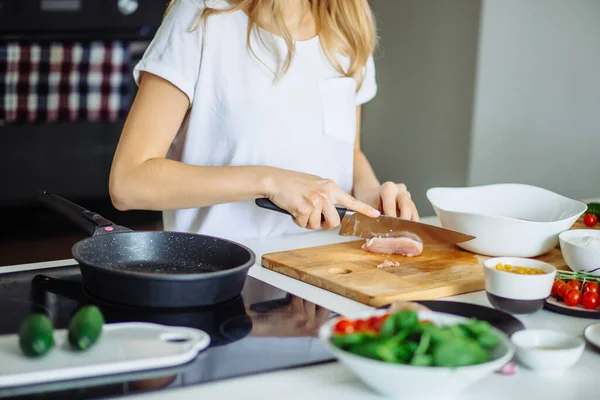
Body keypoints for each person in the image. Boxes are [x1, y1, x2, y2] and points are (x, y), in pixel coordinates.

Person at [109, 0, 419, 241]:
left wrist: (369, 197)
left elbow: (348, 153)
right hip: (217, 280)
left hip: (322, 279)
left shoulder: (348, 31)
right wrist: (269, 181)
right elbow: (129, 182)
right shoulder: (202, 16)